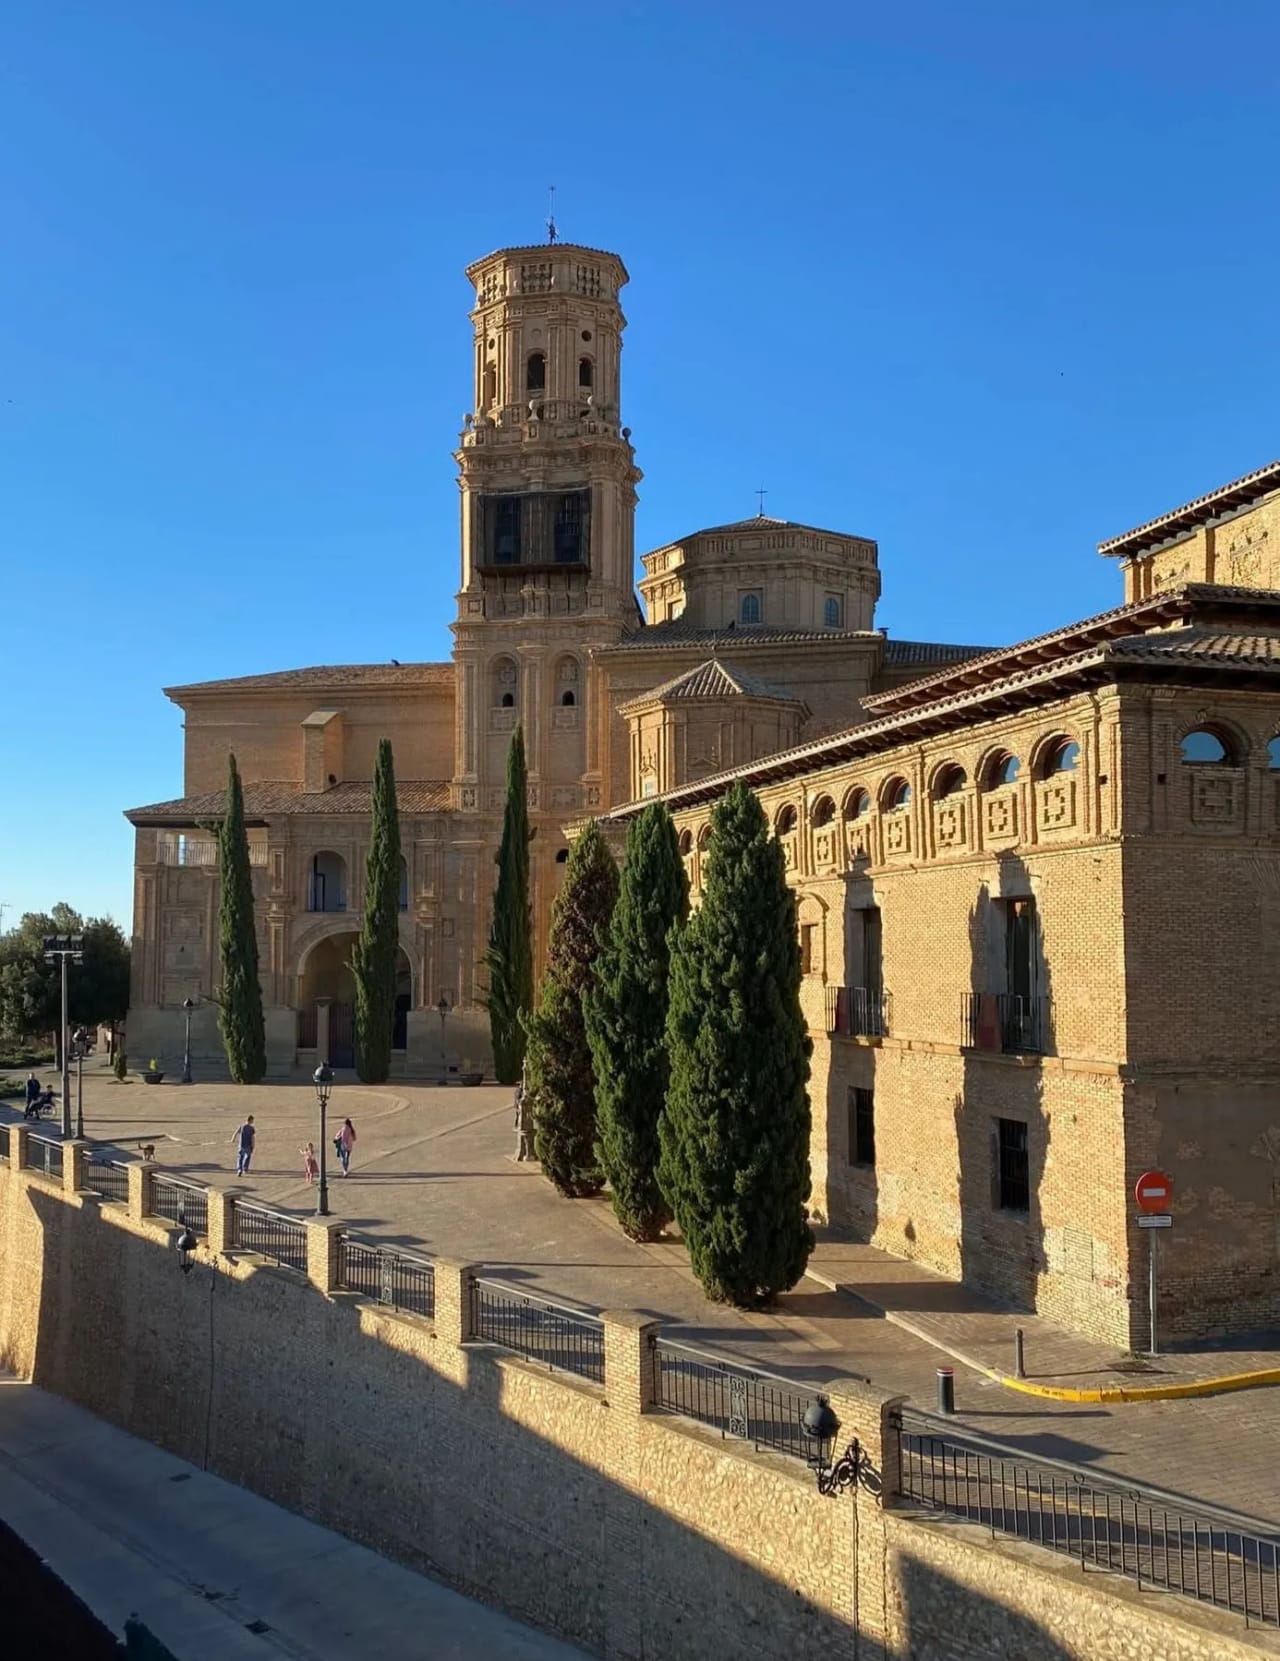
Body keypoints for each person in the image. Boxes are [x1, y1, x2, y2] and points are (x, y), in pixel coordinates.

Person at [513, 1075, 534, 1162]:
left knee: (523, 1125)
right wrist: (518, 1105)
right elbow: (517, 1099)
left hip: (521, 1109)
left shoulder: (519, 1090)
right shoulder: (518, 1090)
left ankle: (528, 1152)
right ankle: (516, 1124)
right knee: (518, 1117)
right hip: (519, 1108)